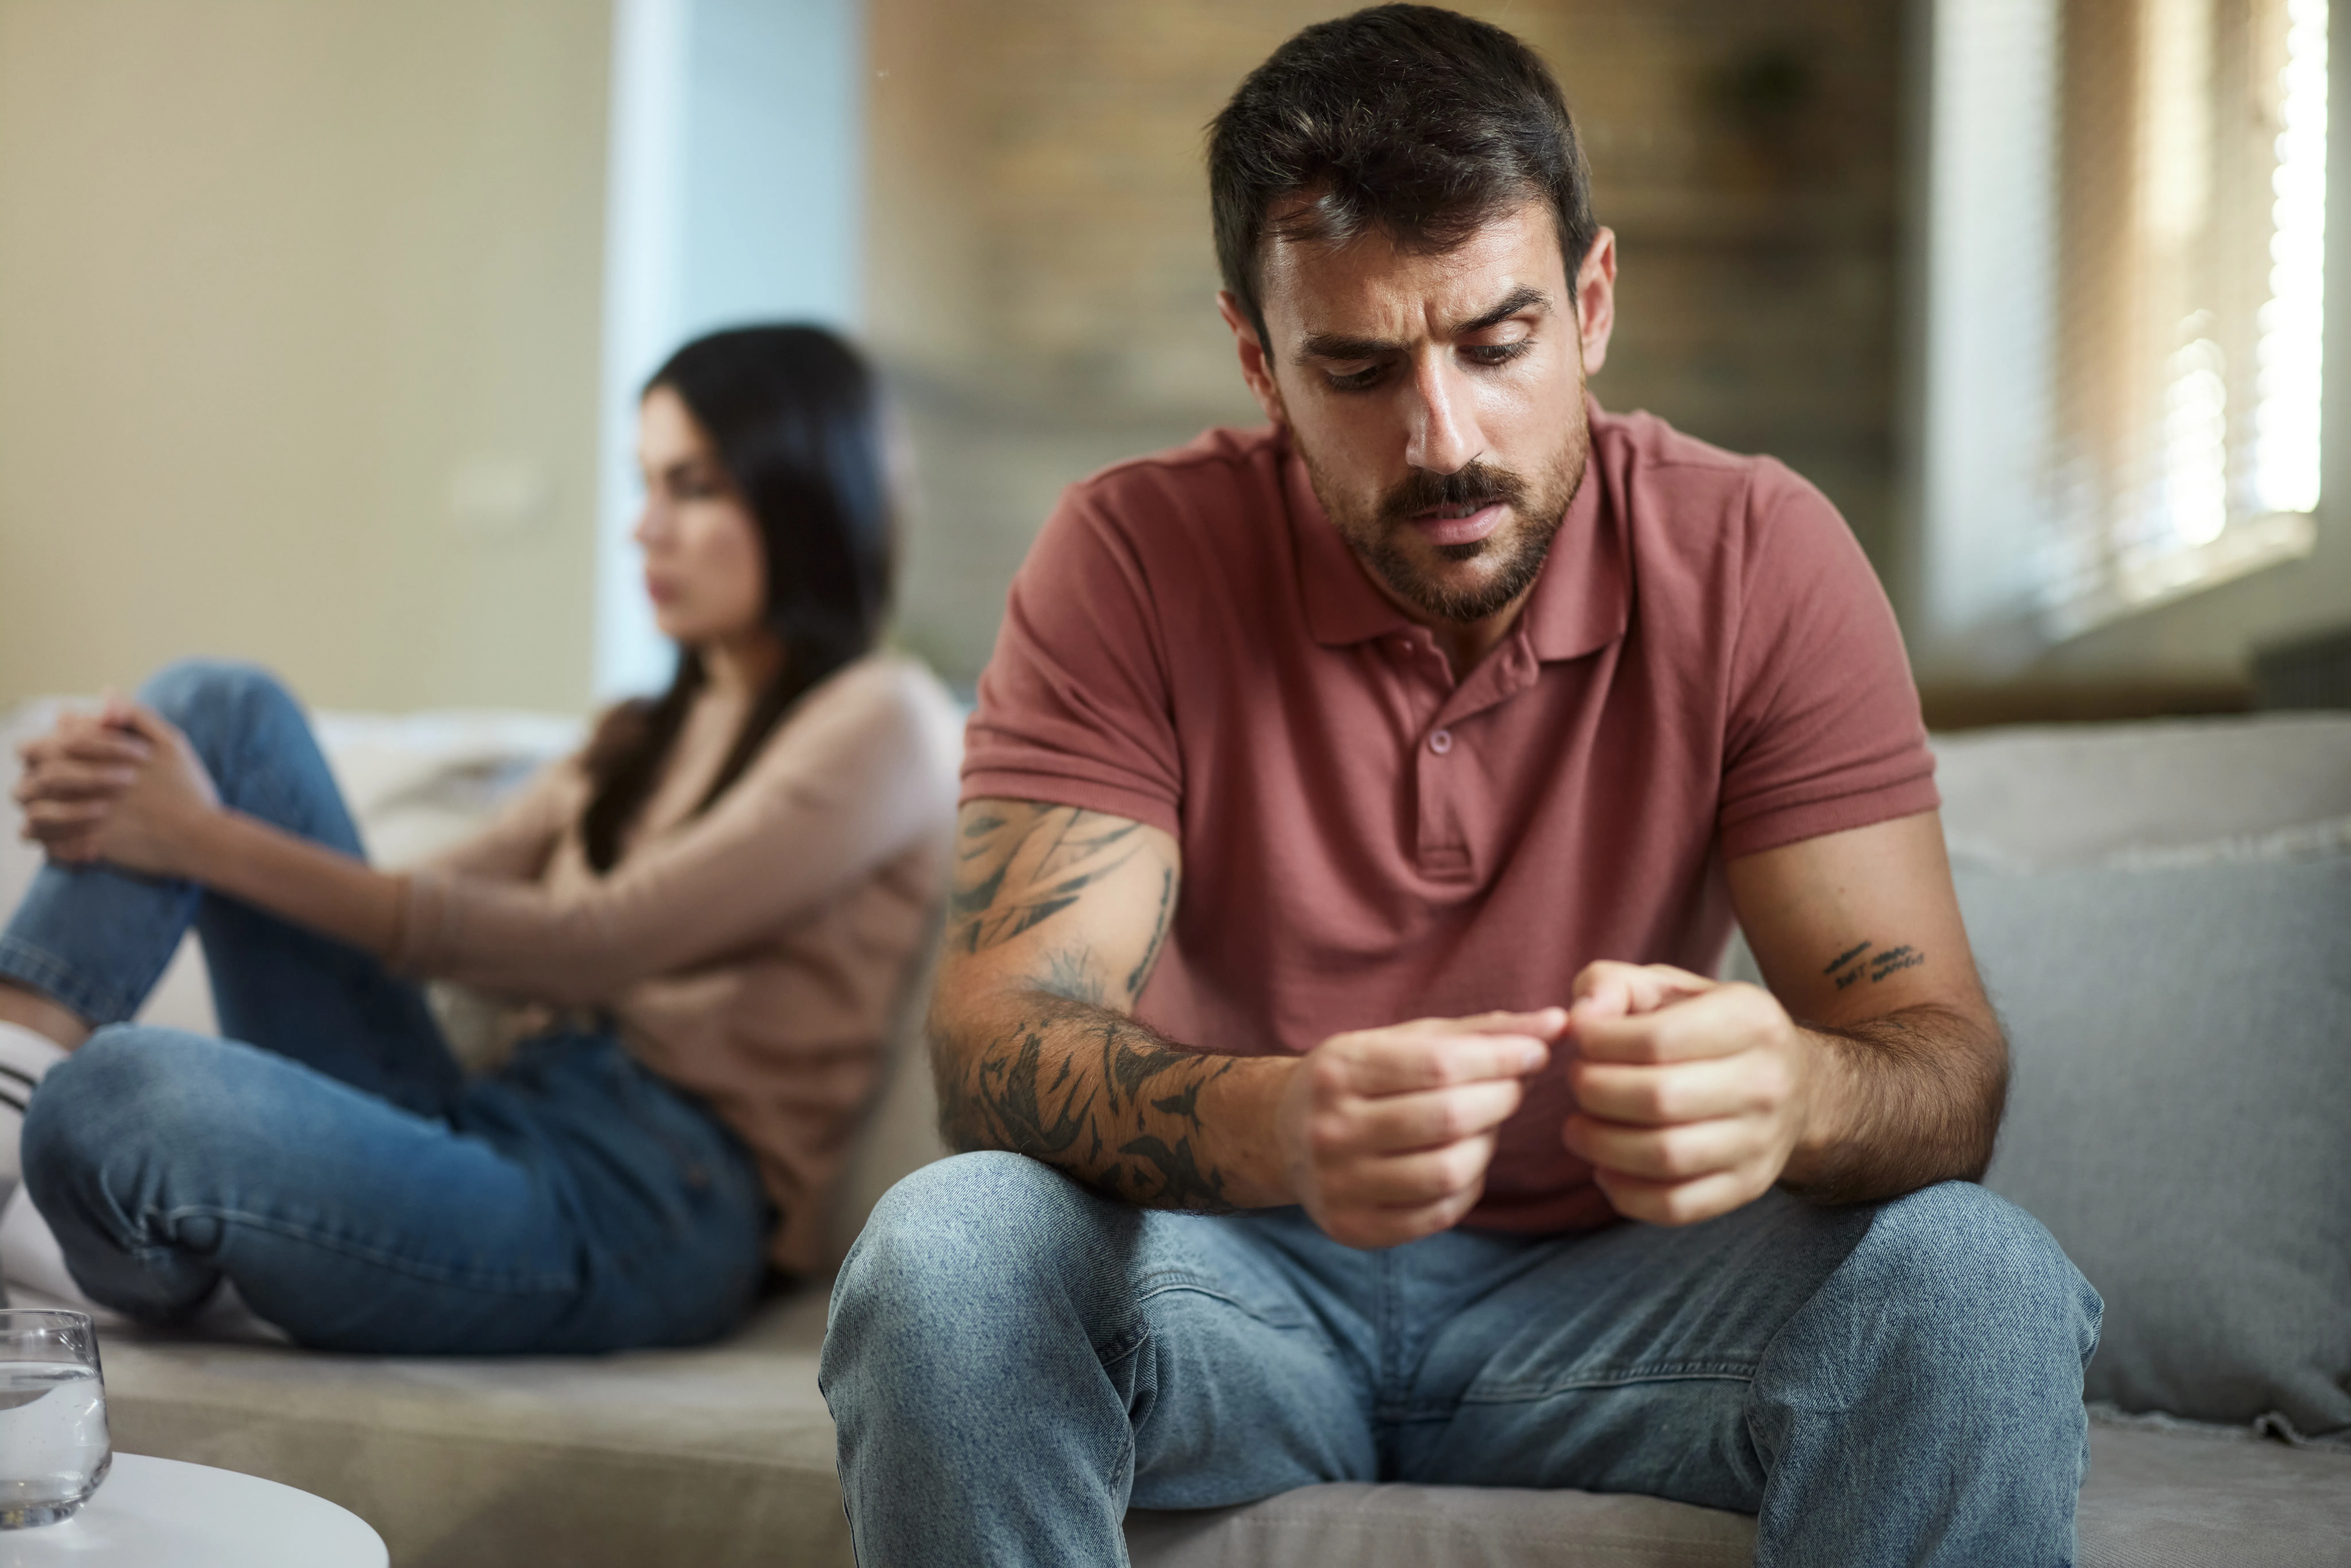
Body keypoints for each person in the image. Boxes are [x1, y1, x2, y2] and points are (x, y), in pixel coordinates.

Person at [820, 8, 2100, 1565]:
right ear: (1257, 359)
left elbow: (1942, 1070)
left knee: (1977, 1276)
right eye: (1356, 369)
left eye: (1498, 346)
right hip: (1236, 1280)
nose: (1445, 441)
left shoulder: (1761, 553)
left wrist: (1798, 1090)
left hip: (1629, 1301)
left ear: (1594, 302)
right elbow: (996, 1048)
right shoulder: (1131, 559)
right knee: (946, 1248)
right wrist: (1281, 1120)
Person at [0, 324, 959, 1354]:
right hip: (486, 1114)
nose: (645, 529)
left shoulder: (885, 716)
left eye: (695, 488)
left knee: (113, 1102)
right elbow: (416, 902)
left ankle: (198, 1232)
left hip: (650, 1203)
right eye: (644, 485)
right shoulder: (636, 733)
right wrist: (188, 820)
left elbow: (595, 940)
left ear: (808, 494)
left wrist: (202, 841)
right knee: (216, 704)